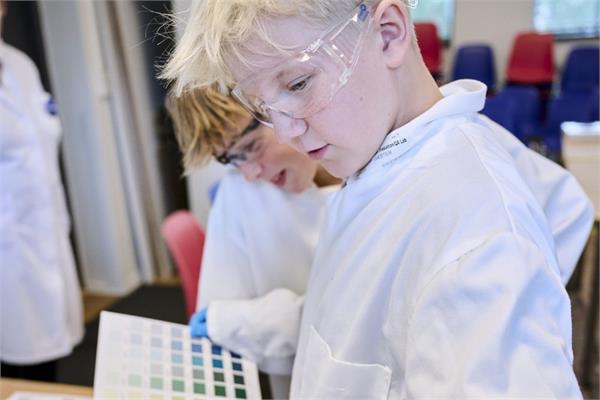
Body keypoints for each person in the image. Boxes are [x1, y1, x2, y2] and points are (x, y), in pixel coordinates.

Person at [162, 1, 594, 398]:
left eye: (297, 83)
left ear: (388, 32)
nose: (285, 132)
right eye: (263, 108)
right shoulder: (370, 168)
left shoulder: (477, 242)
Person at [166, 87, 338, 396]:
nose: (251, 174)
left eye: (253, 146)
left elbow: (353, 319)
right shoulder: (243, 194)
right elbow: (220, 327)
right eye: (232, 160)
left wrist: (248, 322)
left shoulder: (373, 174)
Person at [0, 0, 83, 381]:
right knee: (15, 366)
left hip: (45, 237)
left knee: (46, 365)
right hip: (8, 255)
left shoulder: (20, 65)